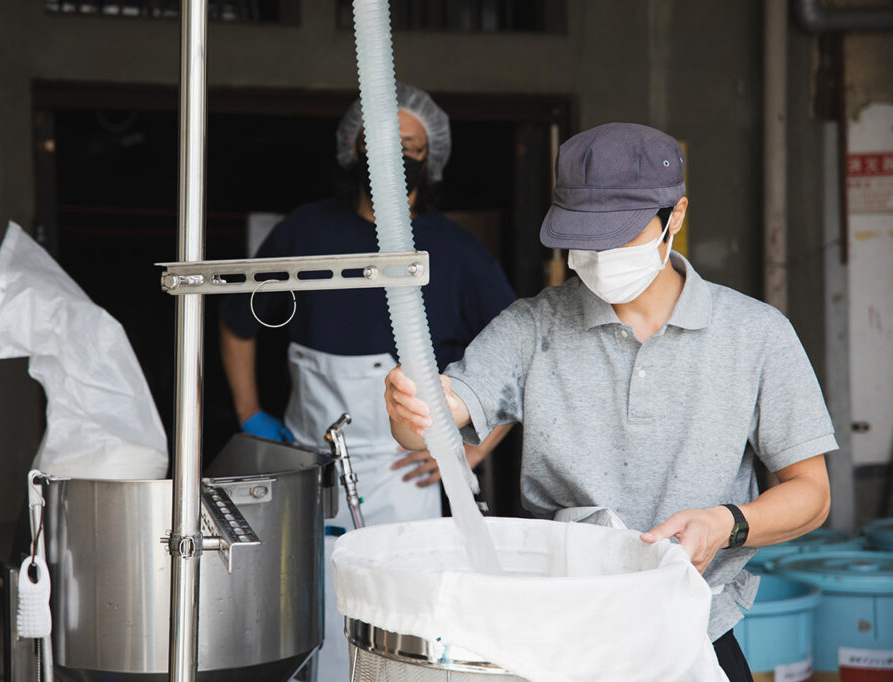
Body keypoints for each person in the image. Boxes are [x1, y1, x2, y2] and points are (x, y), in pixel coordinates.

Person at [383, 122, 834, 681]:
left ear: (676, 217)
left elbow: (812, 494)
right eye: (584, 236)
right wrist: (411, 409)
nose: (598, 253)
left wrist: (726, 524)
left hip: (697, 631)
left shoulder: (757, 335)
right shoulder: (533, 326)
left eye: (619, 235)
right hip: (562, 633)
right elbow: (440, 414)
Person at [217, 82, 516, 678]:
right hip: (305, 468)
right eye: (375, 138)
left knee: (396, 627)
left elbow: (518, 363)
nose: (391, 151)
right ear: (351, 149)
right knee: (305, 623)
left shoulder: (457, 254)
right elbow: (236, 320)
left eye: (408, 143)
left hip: (403, 477)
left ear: (430, 159)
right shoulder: (304, 233)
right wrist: (251, 416)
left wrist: (475, 450)